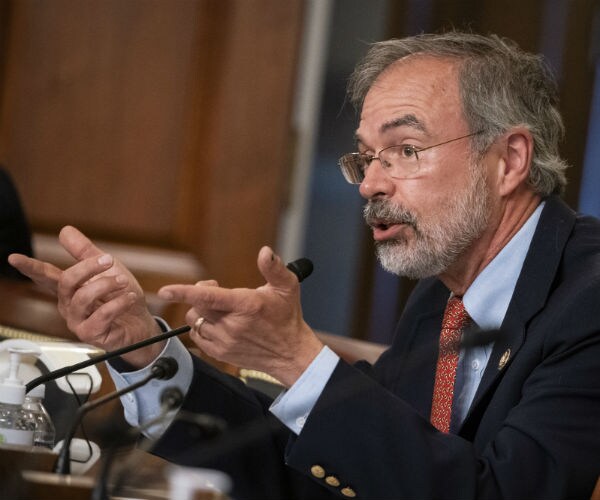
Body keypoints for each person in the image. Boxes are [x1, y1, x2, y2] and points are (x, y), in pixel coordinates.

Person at [8, 31, 600, 499]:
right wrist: (145, 352)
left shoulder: (588, 297)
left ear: (509, 159)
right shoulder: (442, 300)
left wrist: (296, 358)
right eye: (365, 157)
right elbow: (324, 473)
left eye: (406, 150)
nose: (370, 184)